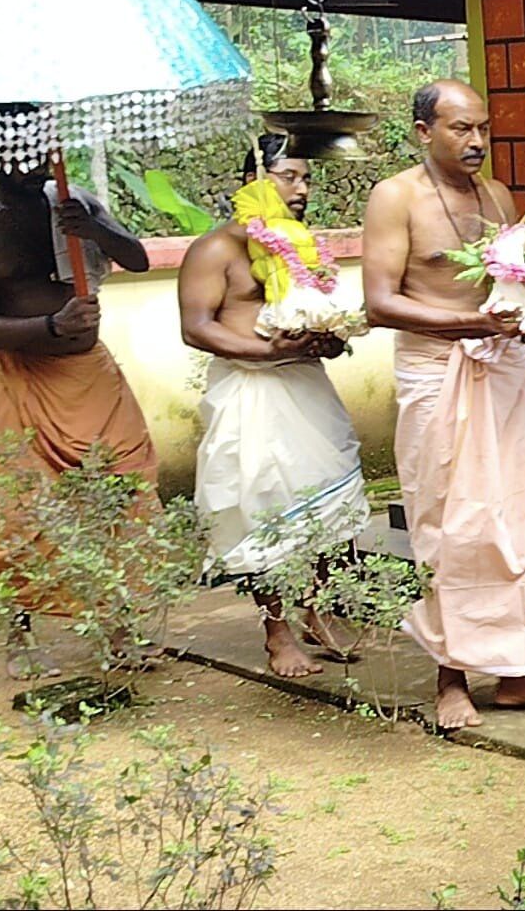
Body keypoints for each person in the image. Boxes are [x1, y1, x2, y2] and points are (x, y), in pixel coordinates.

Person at [362, 79, 525, 729]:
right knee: (450, 523)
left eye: (483, 128)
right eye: (462, 129)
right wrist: (471, 327)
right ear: (424, 131)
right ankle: (449, 677)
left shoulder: (497, 196)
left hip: (502, 369)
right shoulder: (394, 197)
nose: (478, 142)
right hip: (436, 372)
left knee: (522, 517)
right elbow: (379, 303)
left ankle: (520, 674)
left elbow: (506, 288)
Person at [0, 121, 156, 675]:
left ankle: (120, 630)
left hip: (90, 376)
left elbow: (139, 259)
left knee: (123, 488)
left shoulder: (75, 202)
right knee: (17, 511)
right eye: (17, 150)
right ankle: (20, 634)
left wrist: (97, 230)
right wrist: (48, 326)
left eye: (39, 149)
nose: (33, 164)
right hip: (22, 380)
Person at [179, 135, 367, 678]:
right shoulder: (214, 250)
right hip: (249, 391)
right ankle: (277, 633)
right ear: (254, 182)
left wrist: (330, 337)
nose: (302, 189)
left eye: (306, 178)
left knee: (333, 507)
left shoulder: (300, 246)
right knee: (263, 513)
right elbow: (195, 328)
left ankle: (317, 610)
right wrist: (269, 350)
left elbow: (317, 313)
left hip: (306, 388)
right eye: (289, 177)